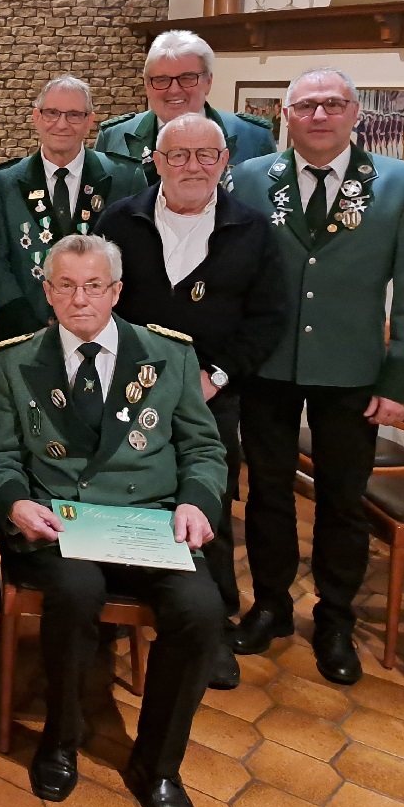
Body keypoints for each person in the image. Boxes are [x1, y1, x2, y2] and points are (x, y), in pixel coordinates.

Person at [0, 234, 226, 807]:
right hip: (62, 528)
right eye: (64, 284)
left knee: (202, 610)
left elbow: (204, 447)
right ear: (47, 290)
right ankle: (60, 740)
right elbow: (3, 457)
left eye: (94, 285)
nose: (79, 298)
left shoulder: (170, 355)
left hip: (150, 522)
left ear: (116, 291)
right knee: (72, 593)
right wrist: (14, 503)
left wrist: (196, 505)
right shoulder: (15, 360)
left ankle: (159, 765)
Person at [229, 67, 404, 684]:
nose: (318, 116)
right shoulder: (248, 180)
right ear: (287, 117)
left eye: (332, 104)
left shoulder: (403, 185)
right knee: (267, 492)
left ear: (354, 114)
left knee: (341, 501)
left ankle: (336, 617)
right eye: (306, 106)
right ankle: (269, 603)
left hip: (353, 372)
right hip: (269, 366)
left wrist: (402, 380)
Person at [98, 113, 288, 692]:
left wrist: (218, 374)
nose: (192, 167)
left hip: (212, 393)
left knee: (209, 500)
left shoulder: (252, 230)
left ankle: (212, 625)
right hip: (122, 389)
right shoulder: (120, 220)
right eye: (178, 155)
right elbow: (96, 299)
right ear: (156, 162)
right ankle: (110, 602)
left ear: (224, 161)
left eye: (206, 155)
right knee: (120, 486)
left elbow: (268, 317)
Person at [0, 76, 147, 340]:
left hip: (105, 335)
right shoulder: (3, 183)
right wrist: (28, 329)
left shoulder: (124, 178)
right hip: (25, 334)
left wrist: (106, 325)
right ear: (36, 117)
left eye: (74, 115)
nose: (61, 124)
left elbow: (138, 260)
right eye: (51, 113)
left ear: (89, 122)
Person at [96, 30, 276, 183]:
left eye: (187, 78)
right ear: (147, 85)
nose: (174, 90)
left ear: (208, 81)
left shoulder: (253, 137)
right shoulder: (114, 136)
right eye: (161, 80)